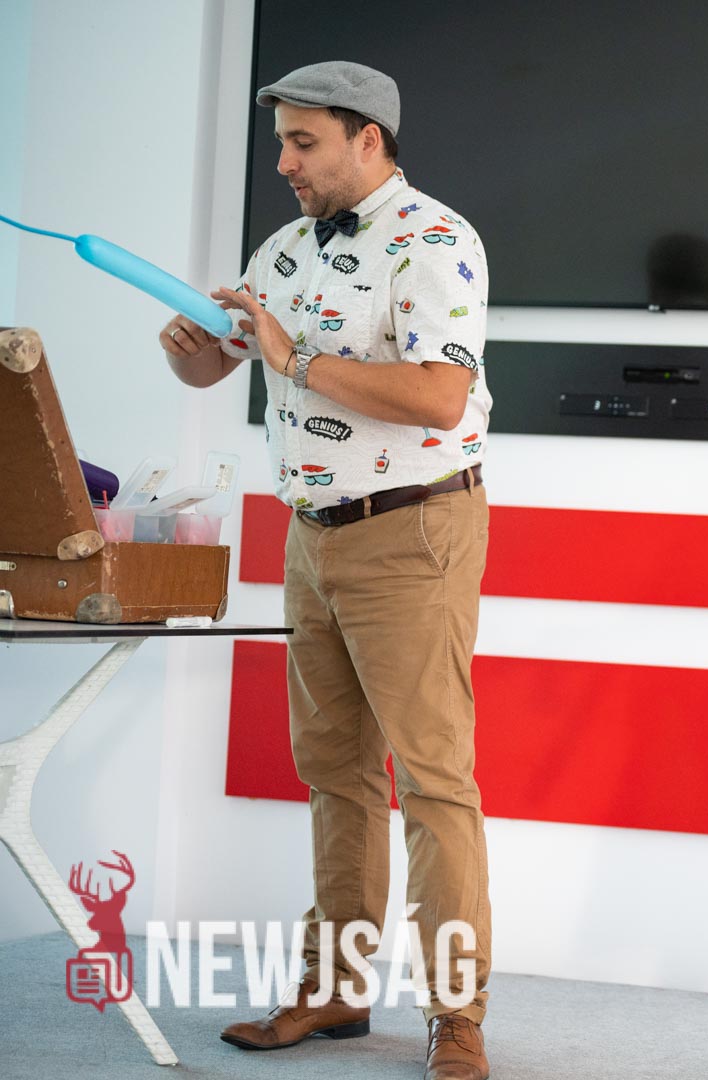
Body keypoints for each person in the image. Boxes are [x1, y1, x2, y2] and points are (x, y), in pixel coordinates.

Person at [157, 61, 494, 1080]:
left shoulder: (436, 240)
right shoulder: (285, 249)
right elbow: (223, 365)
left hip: (414, 531)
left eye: (303, 142)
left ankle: (457, 1014)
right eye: (282, 143)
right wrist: (194, 349)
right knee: (334, 775)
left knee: (433, 782)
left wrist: (293, 356)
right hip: (310, 534)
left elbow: (439, 397)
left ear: (368, 139)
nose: (284, 163)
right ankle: (338, 988)